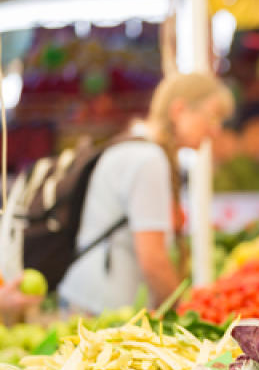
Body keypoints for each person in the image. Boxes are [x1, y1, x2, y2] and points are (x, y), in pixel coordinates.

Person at [58, 73, 233, 314]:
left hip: (93, 300)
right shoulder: (148, 159)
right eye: (212, 117)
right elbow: (154, 260)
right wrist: (186, 314)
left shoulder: (135, 148)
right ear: (179, 109)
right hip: (101, 311)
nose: (216, 131)